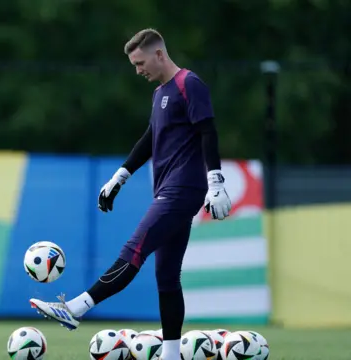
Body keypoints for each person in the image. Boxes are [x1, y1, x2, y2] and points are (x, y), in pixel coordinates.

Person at [29, 28, 232, 360]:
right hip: (167, 189)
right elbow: (151, 138)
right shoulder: (160, 94)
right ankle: (170, 355)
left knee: (134, 249)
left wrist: (217, 182)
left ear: (159, 54)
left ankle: (76, 309)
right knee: (166, 277)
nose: (138, 70)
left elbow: (208, 132)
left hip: (183, 189)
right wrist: (119, 177)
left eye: (140, 62)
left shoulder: (189, 84)